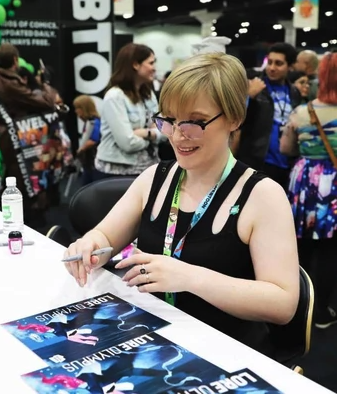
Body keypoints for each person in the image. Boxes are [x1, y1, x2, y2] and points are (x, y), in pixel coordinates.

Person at [64, 52, 300, 359]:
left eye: (196, 122)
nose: (178, 135)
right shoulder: (155, 178)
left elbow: (282, 304)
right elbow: (105, 238)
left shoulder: (262, 196)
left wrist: (190, 277)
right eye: (170, 120)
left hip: (224, 355)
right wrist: (88, 245)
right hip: (152, 340)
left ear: (234, 119)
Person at [280, 51, 337, 329]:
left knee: (300, 245)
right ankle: (322, 314)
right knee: (330, 249)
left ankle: (298, 307)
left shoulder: (302, 112)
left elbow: (285, 148)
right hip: (333, 185)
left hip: (304, 182)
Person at [235, 42, 302, 190]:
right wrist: (249, 97)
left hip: (285, 162)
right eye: (269, 62)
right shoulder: (254, 85)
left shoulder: (294, 92)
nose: (272, 68)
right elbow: (235, 119)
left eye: (278, 63)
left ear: (289, 66)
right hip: (256, 160)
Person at [94, 43, 164, 179]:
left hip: (149, 169)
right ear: (135, 65)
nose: (154, 68)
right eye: (151, 63)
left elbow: (165, 129)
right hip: (117, 173)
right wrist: (154, 137)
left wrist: (145, 133)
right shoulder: (115, 96)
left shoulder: (148, 94)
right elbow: (128, 143)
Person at [73, 95, 101, 185]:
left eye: (77, 108)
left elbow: (93, 140)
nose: (76, 111)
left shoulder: (94, 122)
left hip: (94, 162)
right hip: (88, 162)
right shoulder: (89, 122)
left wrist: (81, 149)